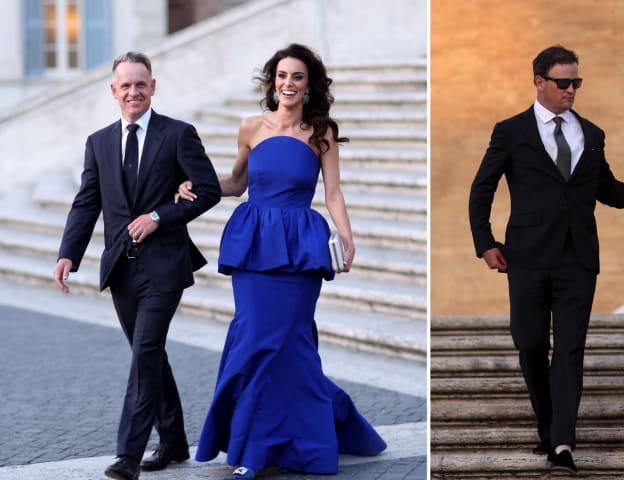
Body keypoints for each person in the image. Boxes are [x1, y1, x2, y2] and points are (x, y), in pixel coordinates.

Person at [468, 45, 624, 474]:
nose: (571, 90)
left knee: (569, 349)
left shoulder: (592, 134)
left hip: (578, 259)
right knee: (529, 342)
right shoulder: (510, 131)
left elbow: (605, 188)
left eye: (576, 83)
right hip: (525, 257)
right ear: (540, 82)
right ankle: (547, 427)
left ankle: (563, 442)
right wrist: (485, 242)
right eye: (563, 82)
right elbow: (482, 188)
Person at [180, 44, 386, 479]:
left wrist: (346, 237)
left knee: (288, 346)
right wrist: (197, 187)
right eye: (281, 76)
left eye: (297, 77)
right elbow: (236, 182)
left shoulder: (321, 132)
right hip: (254, 243)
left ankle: (258, 451)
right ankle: (290, 432)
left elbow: (332, 193)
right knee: (256, 340)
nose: (288, 84)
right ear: (271, 82)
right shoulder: (251, 127)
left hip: (299, 248)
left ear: (309, 85)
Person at [52, 52, 221, 480]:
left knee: (144, 352)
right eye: (125, 85)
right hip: (121, 269)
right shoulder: (99, 142)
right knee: (149, 355)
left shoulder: (179, 134)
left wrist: (161, 215)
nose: (133, 92)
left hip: (165, 265)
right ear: (114, 91)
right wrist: (67, 253)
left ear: (153, 86)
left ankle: (128, 455)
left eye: (140, 84)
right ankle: (175, 441)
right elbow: (87, 201)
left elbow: (209, 190)